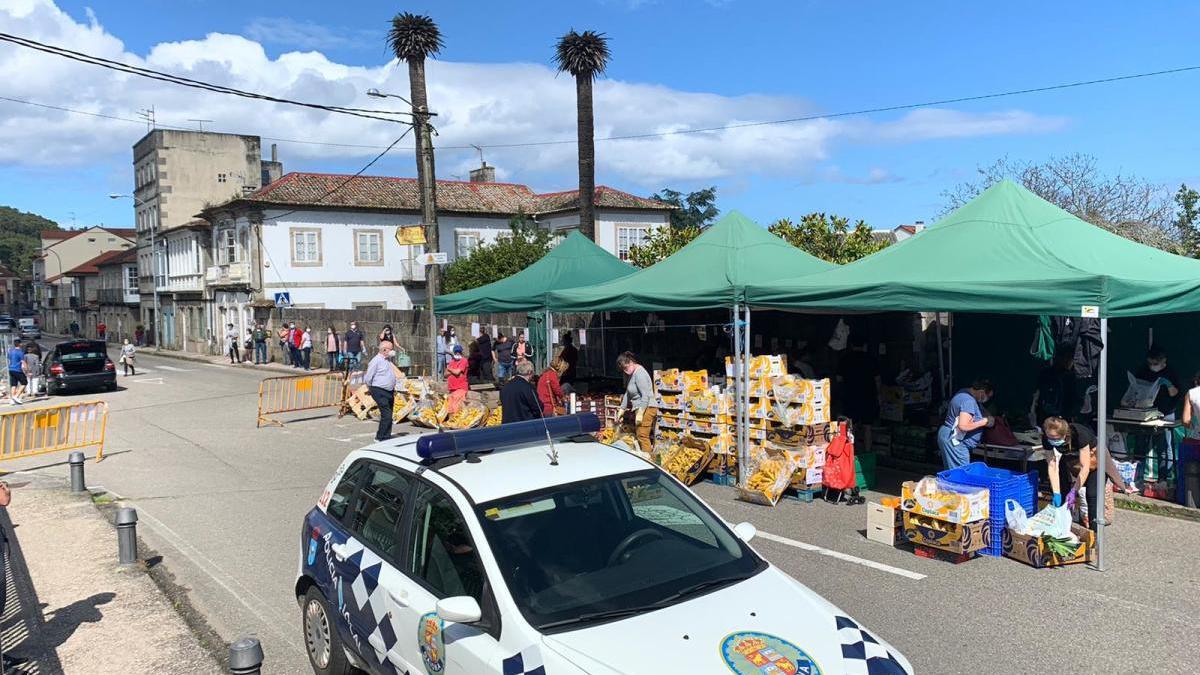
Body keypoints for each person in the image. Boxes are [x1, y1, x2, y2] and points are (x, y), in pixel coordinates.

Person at [1042, 416, 1132, 529]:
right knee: (1062, 491)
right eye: (1050, 438)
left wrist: (1074, 491)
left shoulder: (1080, 434)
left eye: (1056, 438)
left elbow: (1085, 467)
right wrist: (1056, 492)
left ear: (1064, 434)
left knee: (1092, 495)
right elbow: (1052, 465)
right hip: (1070, 460)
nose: (1053, 441)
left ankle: (1095, 532)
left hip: (1094, 460)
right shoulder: (1047, 438)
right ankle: (1063, 527)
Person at [1134, 345, 1182, 466]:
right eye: (1150, 363)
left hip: (1165, 413)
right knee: (1140, 445)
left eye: (1155, 363)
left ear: (1163, 361)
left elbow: (1175, 393)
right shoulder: (1143, 371)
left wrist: (1168, 384)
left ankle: (1163, 478)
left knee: (1164, 447)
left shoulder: (1170, 372)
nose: (1152, 366)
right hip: (1146, 413)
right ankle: (1137, 475)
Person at [936, 380, 995, 470]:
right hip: (955, 442)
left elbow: (981, 410)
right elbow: (963, 426)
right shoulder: (968, 401)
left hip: (949, 437)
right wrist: (985, 421)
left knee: (953, 472)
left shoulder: (965, 393)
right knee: (960, 475)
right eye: (988, 396)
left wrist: (989, 416)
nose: (987, 399)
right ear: (981, 392)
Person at [836, 337, 881, 453]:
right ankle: (868, 452)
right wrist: (878, 394)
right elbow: (878, 380)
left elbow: (839, 379)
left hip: (850, 397)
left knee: (852, 427)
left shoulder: (845, 359)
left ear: (851, 345)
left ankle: (851, 452)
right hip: (868, 396)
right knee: (867, 426)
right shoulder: (870, 359)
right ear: (864, 345)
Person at [617, 351, 657, 456]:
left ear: (631, 362)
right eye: (623, 369)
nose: (625, 371)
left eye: (626, 368)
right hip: (640, 408)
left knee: (642, 435)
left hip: (647, 407)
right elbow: (628, 393)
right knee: (640, 434)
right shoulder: (631, 374)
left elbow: (646, 395)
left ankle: (648, 459)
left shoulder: (639, 373)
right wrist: (622, 408)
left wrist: (641, 412)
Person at [364, 341, 398, 441]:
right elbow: (368, 377)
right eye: (390, 349)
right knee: (386, 414)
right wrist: (371, 388)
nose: (392, 351)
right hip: (379, 390)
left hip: (389, 390)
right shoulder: (376, 361)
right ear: (384, 350)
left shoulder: (387, 360)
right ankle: (380, 437)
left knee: (389, 414)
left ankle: (387, 436)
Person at [1035, 347, 1080, 423]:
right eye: (1066, 358)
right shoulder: (1047, 374)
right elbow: (1041, 395)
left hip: (1064, 415)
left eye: (1070, 358)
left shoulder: (1071, 376)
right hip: (1048, 414)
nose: (1069, 361)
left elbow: (1073, 397)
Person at [445, 345, 469, 414]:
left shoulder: (464, 361)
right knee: (449, 408)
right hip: (451, 389)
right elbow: (445, 374)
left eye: (459, 352)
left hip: (460, 388)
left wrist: (449, 369)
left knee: (456, 409)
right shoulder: (452, 361)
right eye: (456, 352)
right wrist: (453, 371)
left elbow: (457, 372)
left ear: (461, 353)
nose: (457, 353)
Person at [6, 338, 26, 405]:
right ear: (20, 344)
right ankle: (16, 396)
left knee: (13, 385)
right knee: (24, 382)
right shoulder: (20, 352)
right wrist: (27, 370)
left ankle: (12, 400)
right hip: (17, 370)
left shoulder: (11, 351)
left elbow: (9, 359)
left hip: (11, 369)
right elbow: (23, 362)